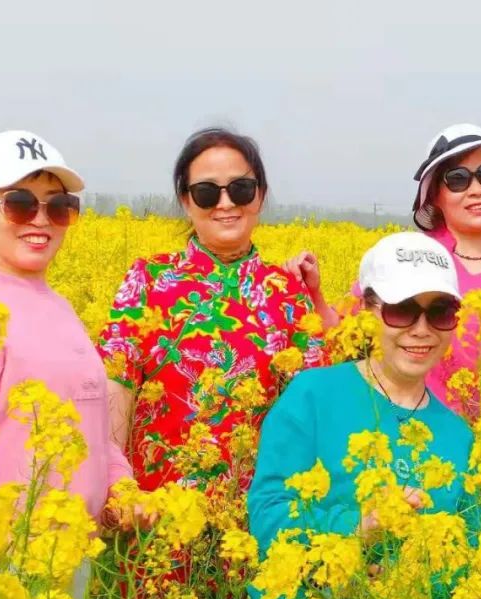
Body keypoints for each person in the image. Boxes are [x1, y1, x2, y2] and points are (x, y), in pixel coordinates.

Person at [246, 232, 474, 599]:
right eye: (402, 309)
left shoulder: (459, 437)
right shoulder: (313, 394)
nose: (420, 329)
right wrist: (360, 525)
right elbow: (269, 518)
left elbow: (465, 555)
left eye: (440, 311)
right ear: (370, 309)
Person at [0, 129, 133, 599]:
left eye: (58, 206)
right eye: (20, 203)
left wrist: (119, 487)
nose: (41, 219)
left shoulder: (57, 306)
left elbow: (91, 419)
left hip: (64, 556)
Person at [98, 127, 322, 496]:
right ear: (186, 201)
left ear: (260, 196)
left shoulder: (286, 291)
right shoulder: (149, 279)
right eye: (206, 193)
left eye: (241, 189)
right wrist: (116, 485)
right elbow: (116, 383)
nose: (226, 204)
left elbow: (310, 405)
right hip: (154, 513)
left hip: (256, 515)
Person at [289, 123, 481, 412]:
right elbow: (342, 335)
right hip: (399, 439)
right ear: (436, 195)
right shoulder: (402, 256)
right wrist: (313, 293)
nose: (477, 190)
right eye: (458, 179)